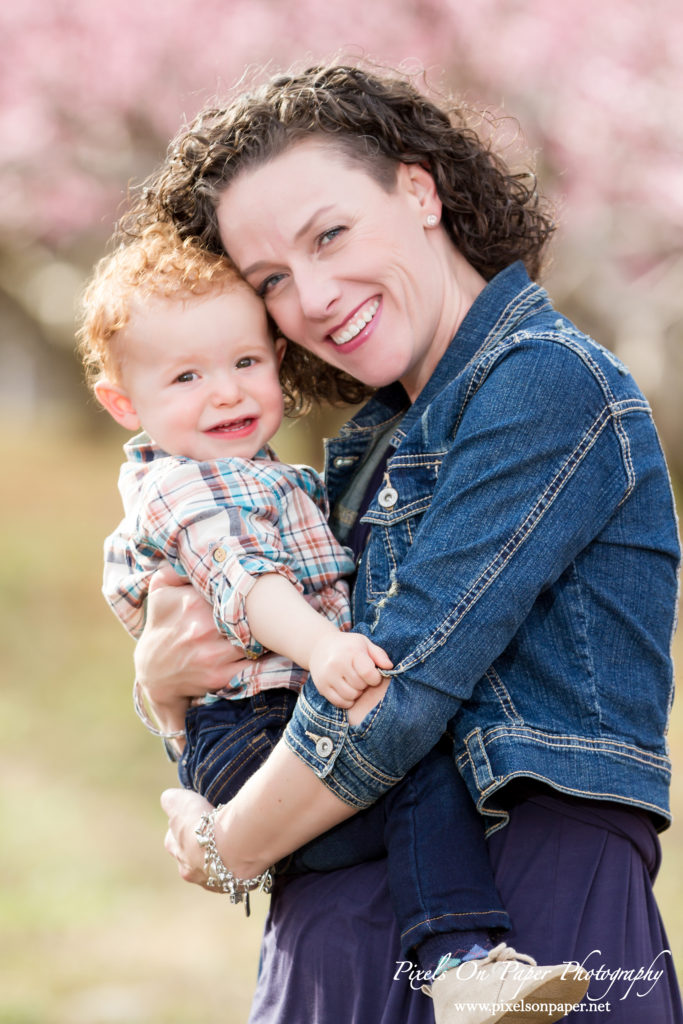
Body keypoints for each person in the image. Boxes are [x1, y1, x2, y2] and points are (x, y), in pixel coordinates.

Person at [122, 64, 682, 1023]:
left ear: (418, 189)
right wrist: (162, 685)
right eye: (272, 281)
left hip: (528, 920)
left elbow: (399, 691)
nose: (315, 296)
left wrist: (225, 847)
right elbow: (256, 667)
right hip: (336, 933)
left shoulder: (546, 386)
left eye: (330, 234)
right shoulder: (371, 447)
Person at [78, 224, 583, 1021]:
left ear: (276, 361)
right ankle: (459, 965)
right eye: (185, 377)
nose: (227, 392)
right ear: (122, 404)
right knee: (414, 774)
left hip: (266, 725)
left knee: (415, 783)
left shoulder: (268, 477)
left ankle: (458, 961)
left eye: (245, 362)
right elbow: (245, 583)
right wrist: (324, 647)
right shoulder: (187, 488)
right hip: (257, 729)